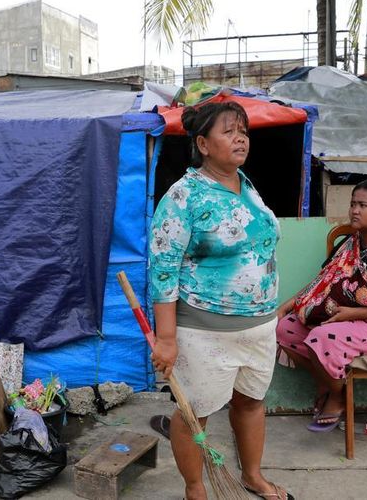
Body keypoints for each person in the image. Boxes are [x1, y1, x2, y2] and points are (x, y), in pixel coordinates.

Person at [149, 101, 292, 500]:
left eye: (243, 130)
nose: (240, 137)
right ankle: (196, 489)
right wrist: (167, 338)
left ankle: (253, 476)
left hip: (259, 326)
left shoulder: (246, 184)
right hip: (204, 331)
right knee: (195, 412)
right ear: (203, 144)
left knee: (251, 402)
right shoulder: (184, 196)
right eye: (228, 131)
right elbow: (162, 270)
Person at [275, 179, 367, 432]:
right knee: (284, 328)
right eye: (353, 204)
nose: (354, 210)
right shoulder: (350, 244)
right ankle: (326, 384)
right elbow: (323, 283)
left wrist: (355, 313)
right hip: (349, 317)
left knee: (322, 336)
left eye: (363, 205)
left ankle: (337, 398)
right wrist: (289, 304)